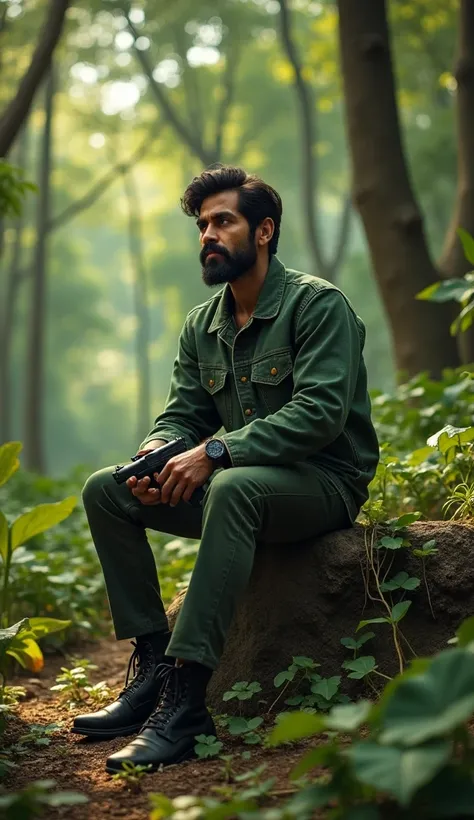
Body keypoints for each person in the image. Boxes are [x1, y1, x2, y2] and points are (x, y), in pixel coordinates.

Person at [72, 165, 379, 773]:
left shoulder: (318, 306)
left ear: (264, 231)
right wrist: (157, 453)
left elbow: (319, 414)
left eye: (223, 221)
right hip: (242, 485)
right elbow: (183, 414)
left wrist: (216, 453)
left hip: (323, 484)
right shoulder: (201, 324)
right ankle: (155, 670)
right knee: (105, 492)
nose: (208, 234)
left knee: (232, 484)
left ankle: (186, 705)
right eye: (202, 224)